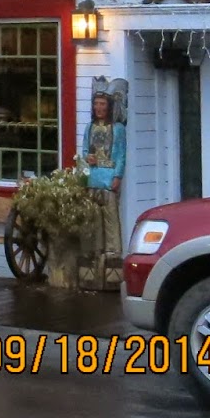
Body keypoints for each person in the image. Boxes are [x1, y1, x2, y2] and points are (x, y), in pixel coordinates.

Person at [84, 77, 127, 283]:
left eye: (102, 104)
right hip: (93, 177)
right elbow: (85, 150)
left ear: (109, 107)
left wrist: (118, 175)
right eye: (96, 104)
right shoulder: (89, 128)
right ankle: (95, 251)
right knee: (94, 218)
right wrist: (87, 158)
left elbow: (120, 154)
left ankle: (113, 254)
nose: (99, 108)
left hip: (109, 177)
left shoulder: (117, 129)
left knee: (111, 218)